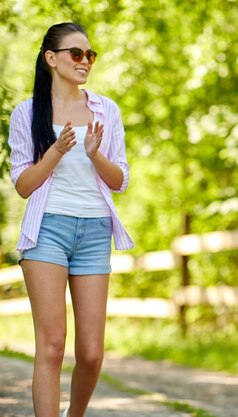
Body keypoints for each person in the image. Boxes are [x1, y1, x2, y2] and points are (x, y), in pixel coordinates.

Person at [8, 22, 133, 417]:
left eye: (89, 55)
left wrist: (94, 154)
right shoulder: (27, 113)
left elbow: (120, 181)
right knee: (51, 345)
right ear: (52, 59)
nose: (85, 61)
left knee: (92, 353)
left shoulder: (106, 110)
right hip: (47, 230)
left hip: (95, 232)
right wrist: (56, 151)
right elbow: (23, 185)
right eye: (76, 53)